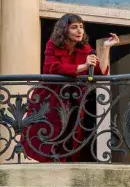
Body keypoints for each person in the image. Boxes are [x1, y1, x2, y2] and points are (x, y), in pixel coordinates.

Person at [23, 14, 118, 162]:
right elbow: (53, 68)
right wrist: (84, 66)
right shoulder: (52, 44)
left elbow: (101, 71)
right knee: (46, 134)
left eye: (81, 27)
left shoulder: (84, 48)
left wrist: (106, 48)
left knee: (70, 137)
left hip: (73, 99)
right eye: (74, 27)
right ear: (64, 30)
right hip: (50, 98)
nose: (79, 31)